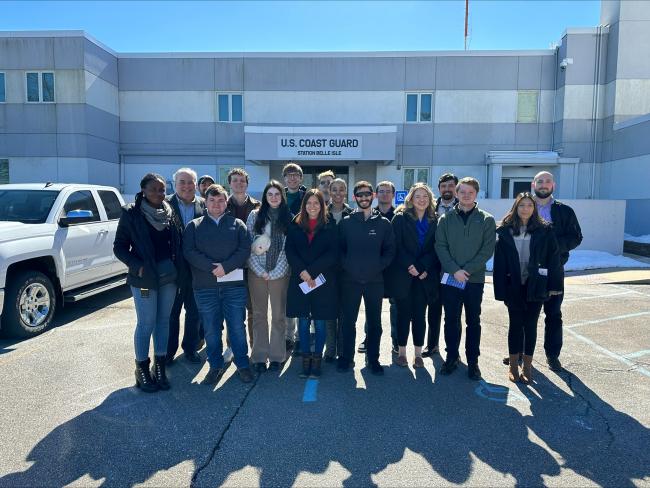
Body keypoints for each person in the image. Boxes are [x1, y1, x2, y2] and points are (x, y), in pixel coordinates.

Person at [113, 173, 182, 392]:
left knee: (164, 321)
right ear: (143, 190)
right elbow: (119, 247)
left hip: (169, 278)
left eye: (162, 189)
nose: (158, 193)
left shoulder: (170, 212)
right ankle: (142, 368)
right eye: (153, 189)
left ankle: (159, 366)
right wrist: (137, 266)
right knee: (146, 323)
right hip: (145, 279)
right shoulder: (131, 214)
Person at [183, 184, 253, 384]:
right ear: (205, 201)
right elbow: (189, 251)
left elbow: (244, 249)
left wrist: (226, 266)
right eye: (212, 200)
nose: (216, 204)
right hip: (205, 288)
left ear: (226, 202)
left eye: (220, 200)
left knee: (237, 328)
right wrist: (211, 267)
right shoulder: (194, 226)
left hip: (234, 287)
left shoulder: (237, 224)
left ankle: (243, 365)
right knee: (212, 330)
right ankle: (215, 366)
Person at [494, 193, 562, 383]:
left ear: (534, 209)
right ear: (516, 208)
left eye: (529, 206)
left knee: (530, 326)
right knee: (515, 325)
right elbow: (499, 264)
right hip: (513, 285)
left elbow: (554, 259)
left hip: (536, 285)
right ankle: (513, 366)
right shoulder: (505, 231)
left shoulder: (545, 230)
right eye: (521, 205)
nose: (525, 209)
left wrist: (553, 286)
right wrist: (500, 290)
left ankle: (528, 367)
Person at [435, 177, 495, 380]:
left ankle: (473, 361)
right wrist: (454, 270)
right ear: (457, 193)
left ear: (476, 194)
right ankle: (451, 357)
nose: (466, 195)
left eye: (470, 192)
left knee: (473, 321)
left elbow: (487, 250)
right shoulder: (446, 219)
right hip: (450, 279)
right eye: (462, 192)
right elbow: (440, 246)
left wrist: (466, 271)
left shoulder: (486, 220)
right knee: (451, 319)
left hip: (474, 280)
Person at [337, 181, 396, 375]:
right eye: (359, 195)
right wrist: (349, 267)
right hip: (350, 281)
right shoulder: (346, 222)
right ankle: (346, 358)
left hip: (374, 281)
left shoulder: (383, 223)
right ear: (354, 198)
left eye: (367, 194)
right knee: (347, 322)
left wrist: (376, 267)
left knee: (375, 324)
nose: (364, 198)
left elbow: (389, 251)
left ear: (373, 196)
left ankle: (373, 359)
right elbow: (339, 251)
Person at [531, 171, 582, 371]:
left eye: (547, 181)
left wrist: (552, 248)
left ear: (553, 185)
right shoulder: (525, 206)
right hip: (529, 270)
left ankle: (552, 355)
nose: (543, 185)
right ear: (533, 184)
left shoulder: (565, 211)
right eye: (540, 181)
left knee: (553, 314)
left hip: (554, 270)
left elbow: (576, 237)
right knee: (526, 314)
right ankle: (521, 354)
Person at [385, 183, 440, 368]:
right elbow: (396, 246)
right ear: (410, 199)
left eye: (425, 196)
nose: (421, 199)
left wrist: (423, 267)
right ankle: (401, 352)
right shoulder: (400, 218)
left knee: (419, 316)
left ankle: (418, 354)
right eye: (417, 196)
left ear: (430, 199)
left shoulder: (435, 220)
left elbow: (436, 248)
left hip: (424, 276)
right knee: (403, 314)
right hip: (404, 274)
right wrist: (410, 266)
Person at [285, 189, 339, 378]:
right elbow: (290, 250)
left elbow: (333, 253)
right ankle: (305, 360)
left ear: (322, 205)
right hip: (300, 280)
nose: (312, 206)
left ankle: (317, 360)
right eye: (309, 203)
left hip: (322, 281)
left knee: (320, 323)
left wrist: (312, 272)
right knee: (303, 321)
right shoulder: (295, 224)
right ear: (304, 205)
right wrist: (303, 271)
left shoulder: (330, 225)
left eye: (316, 203)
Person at [246, 180, 291, 373]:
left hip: (280, 273)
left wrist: (274, 273)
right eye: (270, 194)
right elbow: (248, 245)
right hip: (256, 272)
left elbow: (288, 250)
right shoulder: (254, 216)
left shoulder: (288, 218)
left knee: (279, 316)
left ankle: (276, 356)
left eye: (277, 194)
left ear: (282, 197)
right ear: (265, 196)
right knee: (259, 315)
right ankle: (258, 356)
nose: (274, 197)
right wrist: (260, 270)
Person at [166, 168, 204, 365]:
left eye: (190, 182)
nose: (187, 186)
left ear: (196, 184)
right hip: (172, 272)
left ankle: (190, 348)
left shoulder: (204, 205)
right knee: (171, 314)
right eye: (182, 182)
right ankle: (168, 352)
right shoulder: (164, 205)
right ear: (174, 184)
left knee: (194, 312)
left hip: (196, 271)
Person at [358, 180, 398, 355]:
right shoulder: (369, 215)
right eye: (381, 191)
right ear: (375, 194)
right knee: (372, 308)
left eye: (388, 191)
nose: (384, 194)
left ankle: (396, 342)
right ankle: (369, 339)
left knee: (395, 308)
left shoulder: (399, 216)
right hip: (373, 272)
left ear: (393, 194)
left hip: (392, 270)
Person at [423, 173, 459, 358]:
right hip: (434, 266)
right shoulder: (431, 208)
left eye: (450, 186)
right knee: (434, 307)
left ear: (456, 188)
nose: (447, 189)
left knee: (453, 311)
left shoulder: (464, 208)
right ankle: (432, 345)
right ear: (439, 189)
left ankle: (453, 350)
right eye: (444, 186)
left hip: (454, 267)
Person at [226, 167, 261, 346]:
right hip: (231, 266)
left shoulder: (258, 207)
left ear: (247, 183)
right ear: (229, 183)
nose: (239, 183)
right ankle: (233, 347)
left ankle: (255, 347)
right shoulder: (222, 205)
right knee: (233, 310)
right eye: (235, 180)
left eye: (242, 180)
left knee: (254, 309)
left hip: (253, 266)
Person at [324, 178, 353, 362]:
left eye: (341, 189)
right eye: (334, 189)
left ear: (346, 192)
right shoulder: (322, 213)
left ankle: (344, 351)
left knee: (346, 313)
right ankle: (330, 350)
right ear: (329, 191)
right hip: (327, 271)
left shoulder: (353, 214)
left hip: (348, 271)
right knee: (329, 312)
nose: (338, 193)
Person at [283, 162, 307, 354]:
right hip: (282, 255)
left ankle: (300, 336)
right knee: (286, 298)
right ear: (284, 178)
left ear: (301, 178)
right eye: (289, 175)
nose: (292, 178)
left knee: (302, 294)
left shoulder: (307, 197)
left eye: (296, 175)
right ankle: (287, 336)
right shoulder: (276, 195)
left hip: (302, 253)